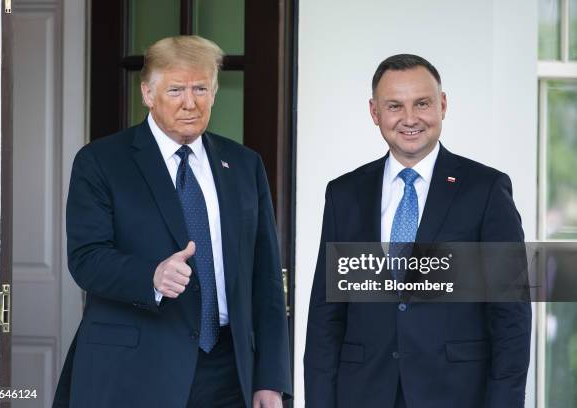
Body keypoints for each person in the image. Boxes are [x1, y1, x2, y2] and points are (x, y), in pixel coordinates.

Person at [53, 35, 291, 408]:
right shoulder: (101, 161)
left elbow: (266, 281)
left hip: (229, 373)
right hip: (134, 369)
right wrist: (151, 276)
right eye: (176, 89)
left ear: (214, 92)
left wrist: (271, 379)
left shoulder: (244, 165)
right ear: (148, 93)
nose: (190, 103)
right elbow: (85, 259)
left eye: (201, 88)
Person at [304, 54, 531, 408]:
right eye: (394, 106)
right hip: (363, 393)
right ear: (374, 112)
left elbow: (510, 315)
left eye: (422, 103)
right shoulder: (344, 194)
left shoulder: (485, 190)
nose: (410, 119)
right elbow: (325, 316)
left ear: (442, 105)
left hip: (456, 394)